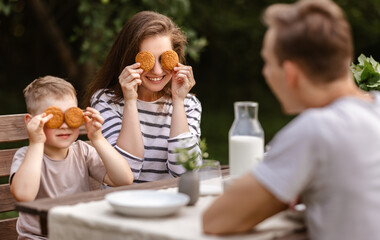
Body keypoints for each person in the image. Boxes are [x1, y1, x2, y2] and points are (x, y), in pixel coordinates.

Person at [203, 0, 380, 239]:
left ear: (290, 73)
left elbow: (216, 219)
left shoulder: (317, 128)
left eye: (267, 62)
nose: (265, 72)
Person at [10, 76, 134, 239]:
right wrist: (36, 142)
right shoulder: (27, 156)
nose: (64, 125)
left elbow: (124, 179)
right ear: (31, 121)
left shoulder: (82, 151)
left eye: (70, 115)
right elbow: (24, 195)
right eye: (53, 118)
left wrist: (97, 138)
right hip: (39, 236)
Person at [84, 11, 201, 183]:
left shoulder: (189, 104)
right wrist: (130, 101)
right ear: (129, 59)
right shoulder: (106, 101)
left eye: (164, 59)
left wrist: (178, 101)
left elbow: (185, 171)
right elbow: (126, 174)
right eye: (148, 60)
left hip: (171, 202)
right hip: (122, 204)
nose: (157, 70)